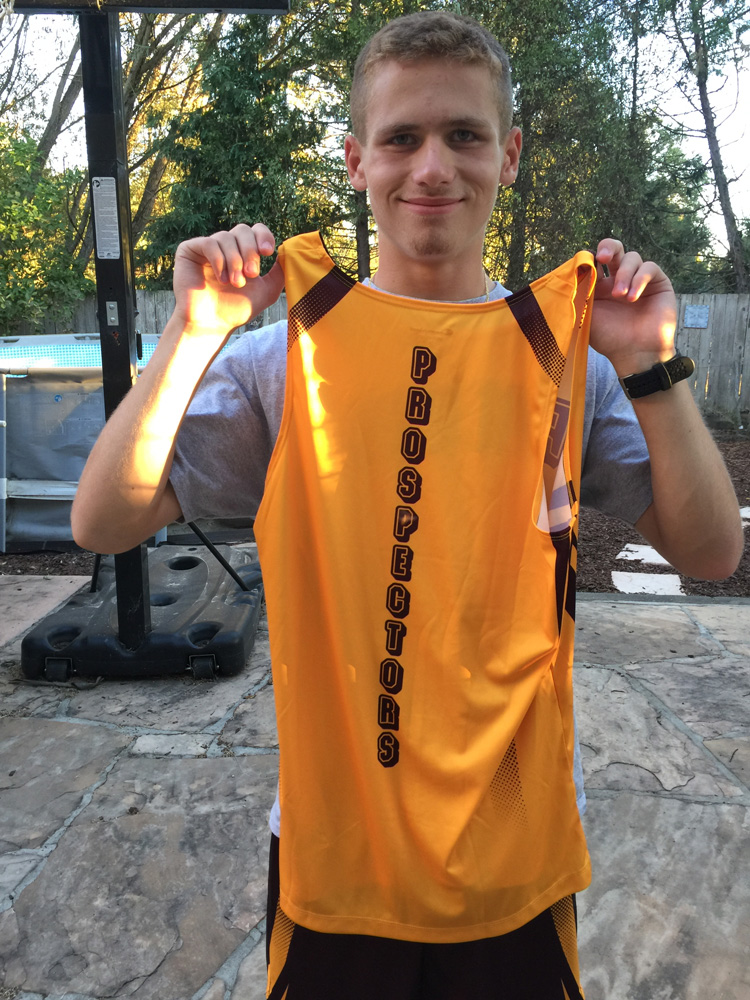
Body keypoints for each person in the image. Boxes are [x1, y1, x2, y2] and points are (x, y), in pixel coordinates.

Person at [71, 11, 743, 999]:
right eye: (401, 137)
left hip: (517, 857)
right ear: (357, 161)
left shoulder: (569, 361)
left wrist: (652, 365)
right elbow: (103, 521)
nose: (433, 167)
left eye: (464, 135)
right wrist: (188, 334)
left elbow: (713, 553)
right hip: (337, 862)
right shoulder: (282, 364)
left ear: (509, 155)